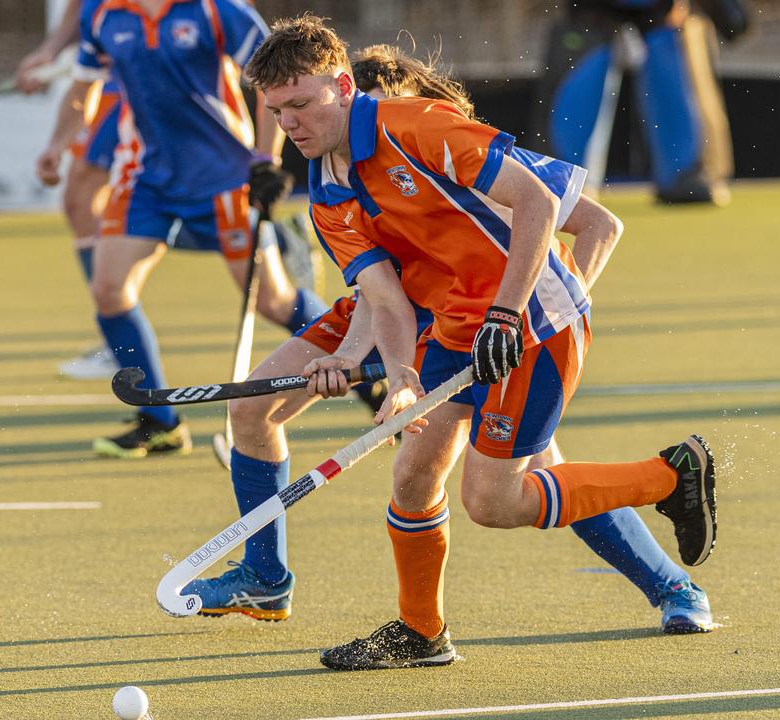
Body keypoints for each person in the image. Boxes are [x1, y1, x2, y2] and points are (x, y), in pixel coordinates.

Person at [181, 43, 712, 639]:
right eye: (279, 112)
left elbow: (587, 221)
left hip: (508, 323)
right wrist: (383, 367)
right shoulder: (328, 181)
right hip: (437, 321)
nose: (290, 125)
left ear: (349, 94)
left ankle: (670, 536)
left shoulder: (435, 135)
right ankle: (415, 631)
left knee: (505, 491)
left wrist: (528, 316)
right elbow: (382, 296)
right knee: (415, 476)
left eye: (302, 106)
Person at [69, 0, 329, 458]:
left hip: (224, 179)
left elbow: (272, 80)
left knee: (273, 301)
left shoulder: (216, 11)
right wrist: (58, 145)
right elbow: (84, 85)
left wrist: (264, 160)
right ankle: (160, 421)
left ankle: (363, 359)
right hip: (148, 178)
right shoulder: (103, 12)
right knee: (109, 289)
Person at [533, 0, 743, 205]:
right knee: (583, 68)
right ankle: (560, 176)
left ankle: (688, 174)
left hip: (662, 11)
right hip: (591, 11)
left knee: (671, 57)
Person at [16, 0, 123, 380]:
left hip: (154, 70)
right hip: (116, 70)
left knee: (86, 196)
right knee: (80, 200)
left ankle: (272, 240)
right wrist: (51, 50)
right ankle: (117, 339)